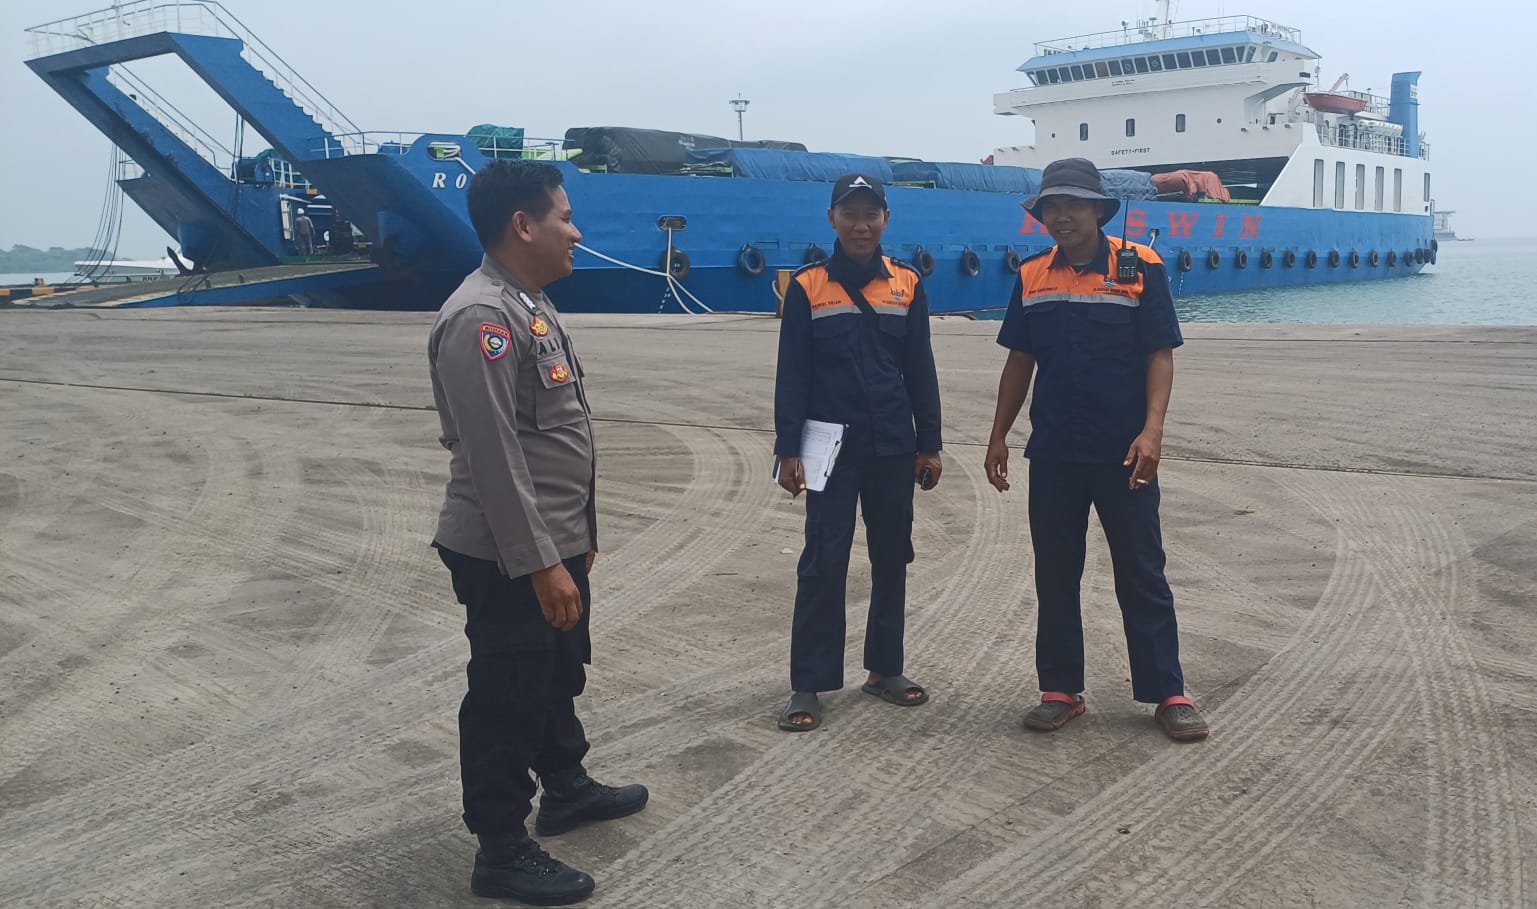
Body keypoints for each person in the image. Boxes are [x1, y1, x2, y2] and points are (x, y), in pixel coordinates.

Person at [428, 159, 648, 904]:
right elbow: (495, 457)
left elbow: (553, 437)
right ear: (523, 225)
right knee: (508, 694)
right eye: (564, 217)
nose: (575, 231)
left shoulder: (529, 303)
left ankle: (565, 786)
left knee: (555, 672)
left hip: (551, 539)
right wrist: (539, 563)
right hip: (507, 553)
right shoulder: (481, 319)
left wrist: (575, 537)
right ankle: (501, 848)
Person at [983, 157, 1209, 743]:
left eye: (1074, 205)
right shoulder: (1031, 275)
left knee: (1142, 571)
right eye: (1052, 206)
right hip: (1054, 451)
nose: (1062, 216)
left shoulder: (1141, 267)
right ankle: (1060, 690)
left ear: (1098, 211)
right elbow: (1020, 361)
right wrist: (998, 434)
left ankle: (1168, 692)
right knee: (1055, 573)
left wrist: (1153, 431)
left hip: (1124, 451)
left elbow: (1160, 354)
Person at [772, 173, 944, 732]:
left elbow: (920, 368)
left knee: (892, 556)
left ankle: (884, 669)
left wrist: (930, 444)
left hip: (893, 444)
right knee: (824, 560)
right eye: (850, 213)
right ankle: (808, 682)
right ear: (832, 219)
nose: (861, 224)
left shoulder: (907, 284)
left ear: (886, 219)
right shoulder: (808, 287)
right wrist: (788, 449)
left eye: (871, 214)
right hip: (831, 449)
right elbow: (792, 374)